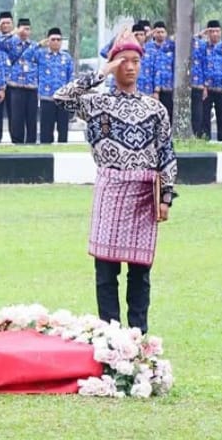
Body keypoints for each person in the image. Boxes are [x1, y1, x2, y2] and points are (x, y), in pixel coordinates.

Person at [54, 30, 177, 334]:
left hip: (144, 193)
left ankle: (138, 334)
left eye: (136, 61)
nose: (131, 67)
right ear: (113, 64)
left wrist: (166, 197)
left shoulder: (155, 108)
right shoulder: (97, 104)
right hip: (111, 189)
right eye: (124, 61)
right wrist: (100, 74)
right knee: (106, 271)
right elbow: (61, 98)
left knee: (140, 272)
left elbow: (166, 152)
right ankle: (110, 334)